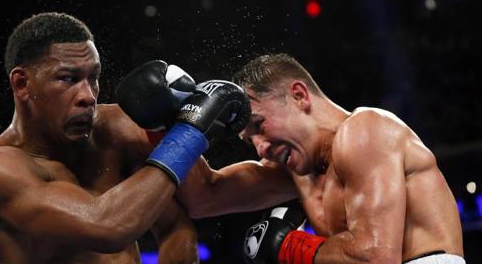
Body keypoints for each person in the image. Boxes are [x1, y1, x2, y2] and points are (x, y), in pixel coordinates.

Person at [0, 12, 249, 264]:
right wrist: (189, 134)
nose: (88, 96)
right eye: (67, 78)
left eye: (94, 78)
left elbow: (174, 226)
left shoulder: (116, 130)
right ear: (21, 84)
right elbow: (107, 228)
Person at [175, 53, 464, 263]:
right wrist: (180, 126)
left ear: (299, 96)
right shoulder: (298, 171)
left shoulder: (366, 131)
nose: (260, 149)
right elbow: (203, 198)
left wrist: (291, 246)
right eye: (250, 141)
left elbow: (376, 257)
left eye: (260, 126)